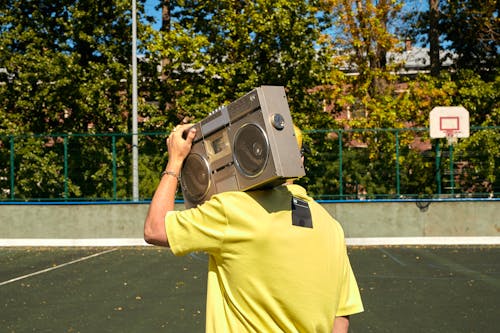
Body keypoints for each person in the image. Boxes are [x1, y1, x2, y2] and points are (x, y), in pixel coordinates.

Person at [144, 123, 364, 333]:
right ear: (300, 161)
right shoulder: (331, 227)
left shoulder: (234, 210)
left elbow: (155, 229)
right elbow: (341, 319)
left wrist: (175, 161)